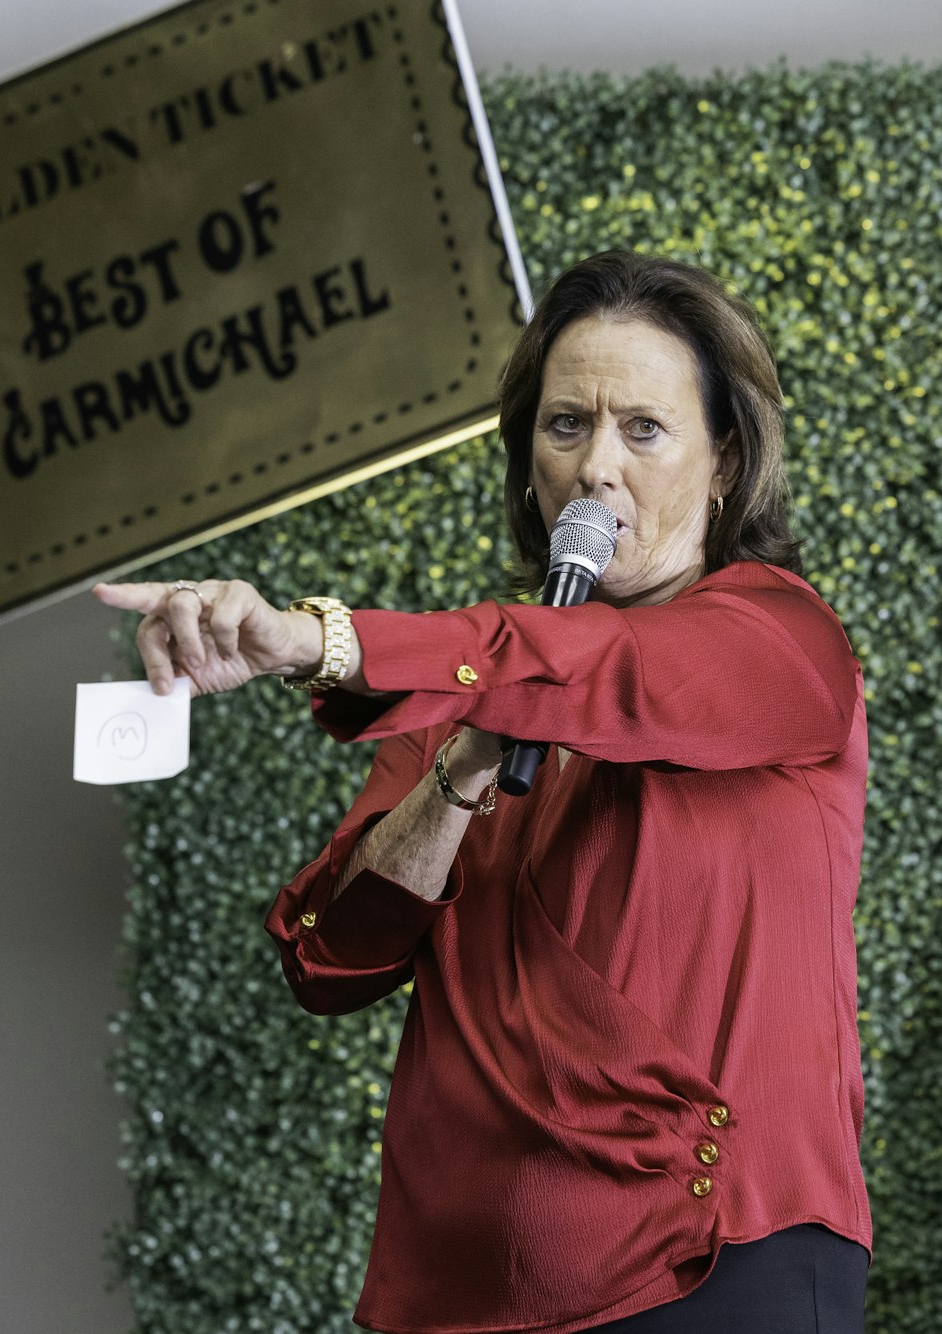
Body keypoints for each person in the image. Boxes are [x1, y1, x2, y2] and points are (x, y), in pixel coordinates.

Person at [92, 249, 871, 1334]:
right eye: (564, 426)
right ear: (525, 464)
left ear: (725, 462)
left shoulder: (779, 639)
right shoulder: (467, 688)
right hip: (450, 1296)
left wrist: (314, 639)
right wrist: (461, 765)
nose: (596, 465)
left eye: (642, 428)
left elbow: (611, 672)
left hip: (711, 1272)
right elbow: (328, 955)